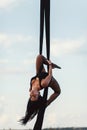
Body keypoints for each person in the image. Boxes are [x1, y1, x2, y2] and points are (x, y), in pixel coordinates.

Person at [19, 54, 61, 125]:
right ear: (39, 94)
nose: (32, 94)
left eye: (31, 96)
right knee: (58, 92)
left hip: (40, 74)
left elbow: (32, 92)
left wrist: (31, 87)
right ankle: (47, 103)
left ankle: (44, 104)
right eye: (34, 96)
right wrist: (50, 65)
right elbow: (50, 75)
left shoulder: (31, 89)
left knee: (39, 57)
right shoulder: (43, 84)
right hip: (50, 80)